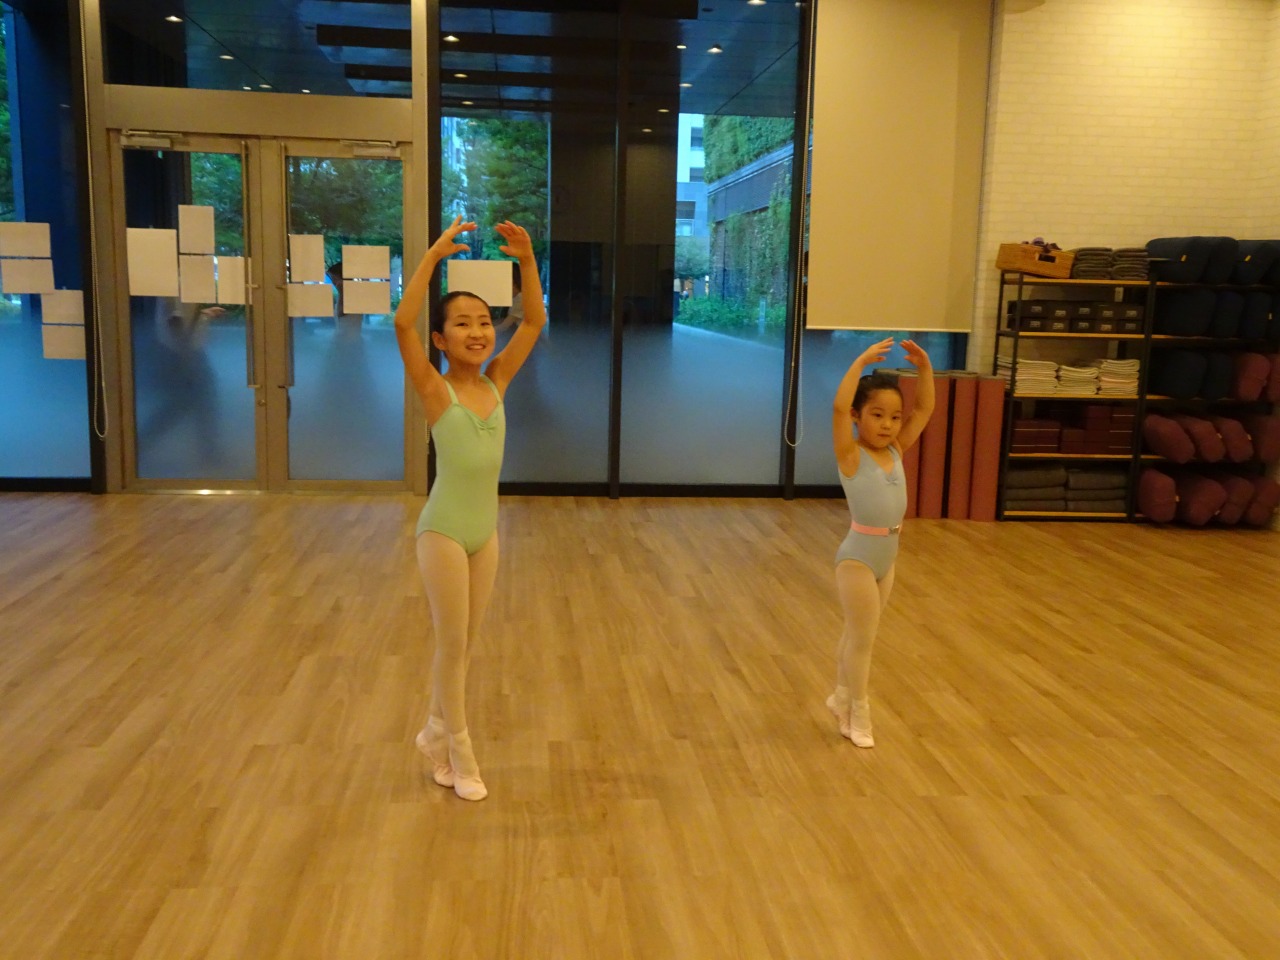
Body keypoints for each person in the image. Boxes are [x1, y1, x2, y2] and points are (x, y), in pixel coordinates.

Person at [395, 216, 546, 801]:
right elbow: (402, 322)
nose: (478, 332)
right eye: (462, 324)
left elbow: (532, 321)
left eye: (483, 321)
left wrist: (526, 261)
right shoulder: (436, 390)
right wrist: (433, 256)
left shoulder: (497, 380)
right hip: (443, 533)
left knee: (465, 646)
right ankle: (460, 748)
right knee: (451, 644)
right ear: (441, 340)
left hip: (487, 533)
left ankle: (433, 734)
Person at [826, 336, 934, 747]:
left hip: (888, 558)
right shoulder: (850, 455)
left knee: (857, 633)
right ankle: (859, 713)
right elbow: (838, 407)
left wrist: (925, 369)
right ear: (858, 416)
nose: (887, 424)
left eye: (893, 417)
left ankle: (840, 698)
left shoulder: (897, 450)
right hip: (857, 559)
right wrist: (859, 362)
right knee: (864, 641)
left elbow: (924, 409)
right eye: (877, 415)